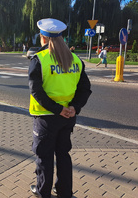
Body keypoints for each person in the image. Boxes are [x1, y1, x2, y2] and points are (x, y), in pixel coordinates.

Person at [28, 18, 92, 198]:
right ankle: (64, 192)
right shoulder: (76, 60)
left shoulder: (39, 59)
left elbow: (36, 92)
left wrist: (57, 109)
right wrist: (74, 107)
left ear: (43, 38)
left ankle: (43, 193)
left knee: (44, 157)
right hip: (68, 118)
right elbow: (85, 88)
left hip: (46, 118)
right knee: (63, 155)